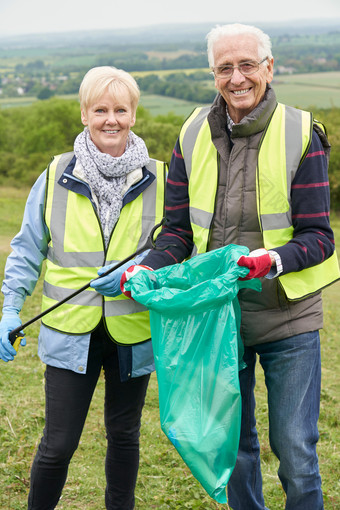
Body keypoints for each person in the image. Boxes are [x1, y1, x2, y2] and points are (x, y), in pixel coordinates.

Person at [129, 24, 340, 510]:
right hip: (218, 320)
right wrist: (149, 269)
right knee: (235, 451)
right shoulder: (190, 132)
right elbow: (178, 232)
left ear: (269, 68)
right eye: (225, 67)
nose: (237, 77)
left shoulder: (301, 132)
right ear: (213, 73)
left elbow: (319, 237)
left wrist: (273, 261)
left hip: (289, 318)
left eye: (247, 65)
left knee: (295, 452)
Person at [0, 66, 166, 510]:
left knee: (125, 436)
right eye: (100, 110)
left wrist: (139, 273)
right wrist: (10, 307)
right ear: (84, 114)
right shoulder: (55, 174)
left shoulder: (162, 178)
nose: (110, 119)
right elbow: (27, 248)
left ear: (133, 114)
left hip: (133, 333)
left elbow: (175, 251)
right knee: (58, 444)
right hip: (70, 332)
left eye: (120, 110)